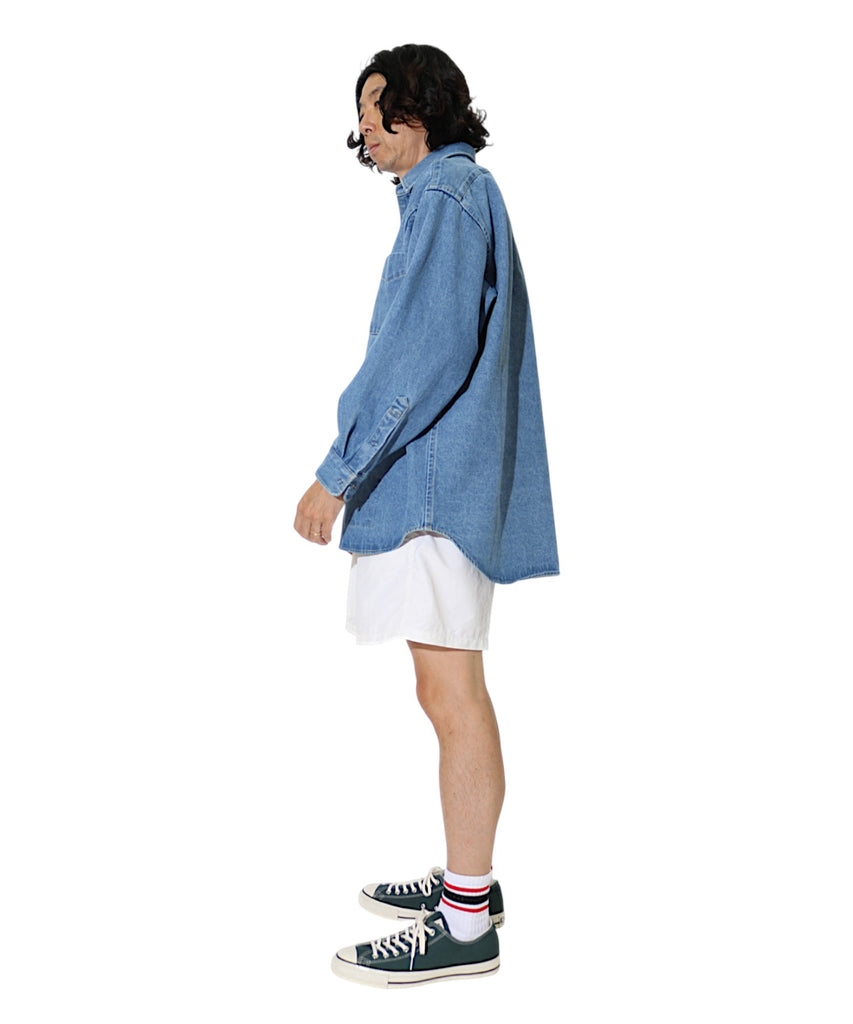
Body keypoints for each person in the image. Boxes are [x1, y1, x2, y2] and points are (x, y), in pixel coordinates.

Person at [293, 43, 559, 987]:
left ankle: (466, 921)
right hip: (436, 486)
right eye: (360, 110)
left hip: (431, 491)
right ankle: (466, 882)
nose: (364, 124)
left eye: (381, 104)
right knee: (445, 691)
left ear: (426, 106)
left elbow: (425, 353)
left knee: (452, 696)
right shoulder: (448, 196)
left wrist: (338, 473)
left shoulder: (446, 195)